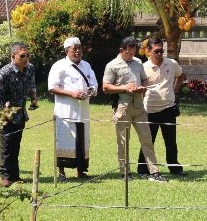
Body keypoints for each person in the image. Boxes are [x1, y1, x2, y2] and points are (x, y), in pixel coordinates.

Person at [102, 37, 167, 182]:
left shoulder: (138, 62)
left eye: (133, 53)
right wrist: (124, 88)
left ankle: (154, 172)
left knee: (147, 139)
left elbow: (144, 80)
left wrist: (142, 88)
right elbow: (105, 87)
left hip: (139, 107)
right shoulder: (112, 65)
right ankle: (125, 173)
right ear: (121, 50)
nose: (131, 55)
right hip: (122, 107)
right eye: (128, 53)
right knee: (123, 142)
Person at [48, 37, 97, 181]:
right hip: (65, 111)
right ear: (66, 51)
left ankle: (80, 171)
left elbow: (94, 84)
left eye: (79, 48)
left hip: (82, 111)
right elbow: (52, 87)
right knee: (64, 140)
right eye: (74, 48)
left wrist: (90, 91)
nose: (77, 51)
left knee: (82, 141)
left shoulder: (86, 65)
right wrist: (72, 94)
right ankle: (61, 173)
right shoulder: (59, 66)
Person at [137, 37, 186, 176]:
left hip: (169, 109)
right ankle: (143, 169)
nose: (159, 54)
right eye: (156, 51)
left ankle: (174, 168)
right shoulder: (143, 68)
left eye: (161, 51)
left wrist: (175, 90)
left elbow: (181, 75)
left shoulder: (171, 63)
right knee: (148, 141)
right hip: (149, 111)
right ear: (148, 51)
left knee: (171, 142)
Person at [0, 43, 38, 187]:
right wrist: (3, 112)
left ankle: (15, 175)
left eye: (27, 56)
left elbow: (32, 85)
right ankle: (5, 176)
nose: (26, 59)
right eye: (22, 56)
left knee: (15, 145)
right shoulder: (4, 72)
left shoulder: (30, 69)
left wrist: (34, 98)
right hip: (5, 114)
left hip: (20, 114)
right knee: (6, 146)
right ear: (13, 57)